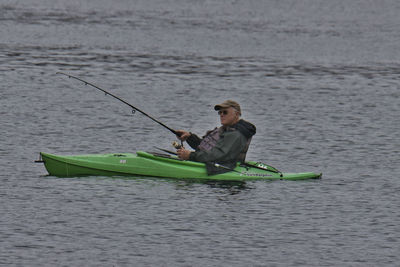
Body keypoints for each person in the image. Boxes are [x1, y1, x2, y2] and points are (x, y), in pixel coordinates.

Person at [175, 100, 256, 175]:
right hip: (215, 164)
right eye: (220, 112)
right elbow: (207, 148)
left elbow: (217, 155)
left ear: (237, 114)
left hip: (222, 169)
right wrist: (189, 137)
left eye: (225, 112)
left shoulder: (236, 134)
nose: (221, 115)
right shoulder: (226, 130)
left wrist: (190, 156)